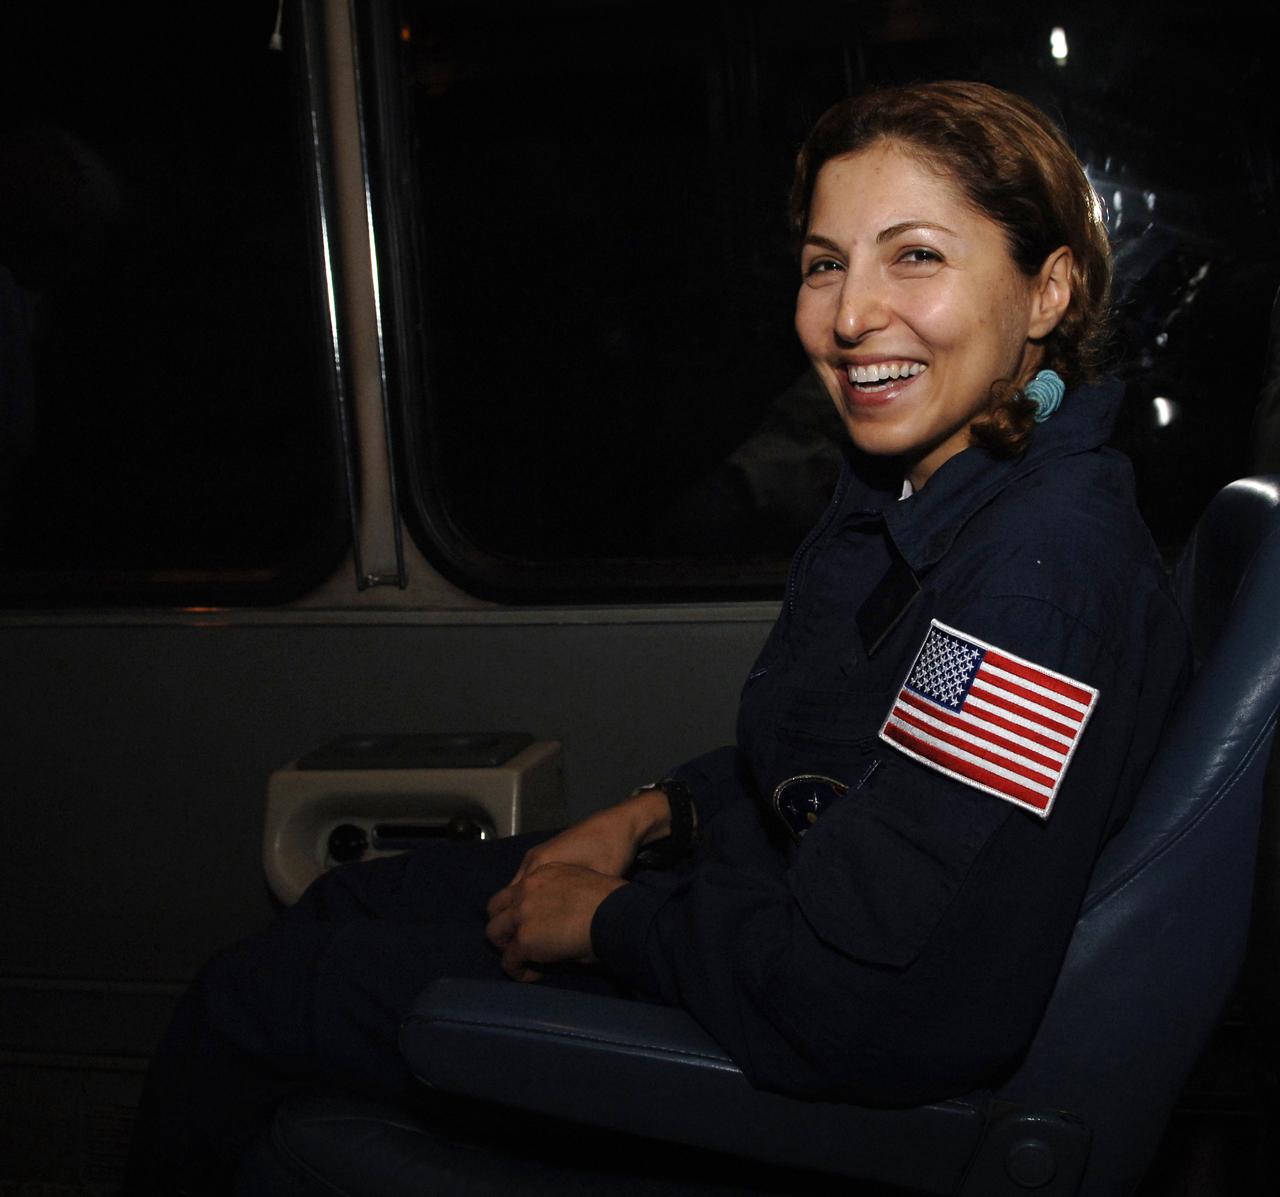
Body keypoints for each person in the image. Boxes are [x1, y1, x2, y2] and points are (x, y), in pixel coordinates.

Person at [125, 80, 1189, 1193]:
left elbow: (882, 1005)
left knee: (252, 1003)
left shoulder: (1032, 591)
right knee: (344, 901)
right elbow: (839, 766)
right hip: (761, 917)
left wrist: (617, 924)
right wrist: (656, 813)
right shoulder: (931, 494)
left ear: (1046, 289)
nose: (847, 314)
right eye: (825, 262)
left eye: (913, 255)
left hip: (800, 1012)